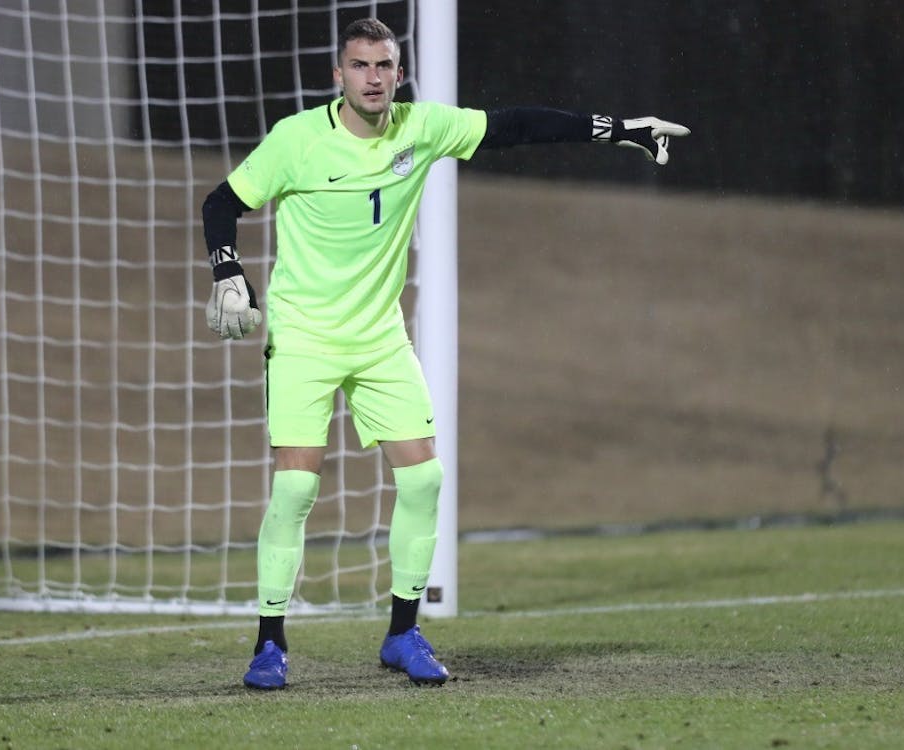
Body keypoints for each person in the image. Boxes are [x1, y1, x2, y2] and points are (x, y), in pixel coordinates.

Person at [201, 18, 689, 690]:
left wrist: (621, 129)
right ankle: (269, 644)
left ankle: (403, 634)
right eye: (360, 65)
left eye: (385, 66)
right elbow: (222, 202)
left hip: (378, 337)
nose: (373, 78)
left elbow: (513, 126)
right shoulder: (297, 141)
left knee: (425, 478)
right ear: (337, 75)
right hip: (305, 336)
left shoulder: (420, 127)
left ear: (398, 74)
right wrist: (228, 271)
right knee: (295, 486)